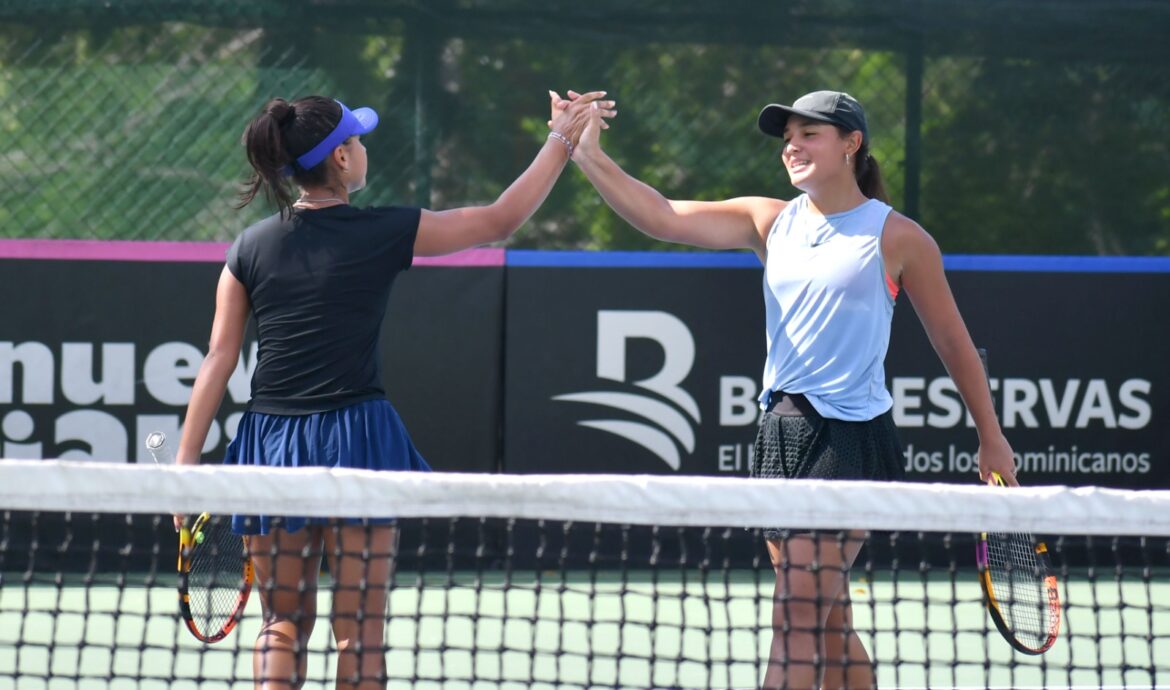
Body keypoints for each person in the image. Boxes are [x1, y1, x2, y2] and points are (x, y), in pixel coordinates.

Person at [558, 89, 1017, 690]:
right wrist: (585, 150)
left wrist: (992, 437)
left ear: (851, 144)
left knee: (795, 620)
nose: (792, 148)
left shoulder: (899, 238)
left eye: (810, 135)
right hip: (781, 435)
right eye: (788, 138)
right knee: (827, 623)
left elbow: (953, 343)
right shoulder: (768, 221)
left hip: (850, 442)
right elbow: (661, 214)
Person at [173, 91, 614, 690]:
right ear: (339, 160)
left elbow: (219, 360)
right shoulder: (383, 230)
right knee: (359, 629)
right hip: (358, 440)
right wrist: (560, 139)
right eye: (355, 140)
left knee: (281, 622)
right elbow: (501, 217)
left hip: (268, 446)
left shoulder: (248, 246)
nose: (363, 148)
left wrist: (183, 469)